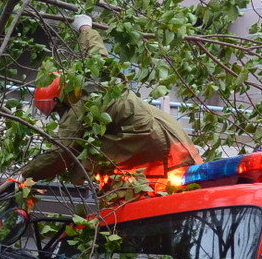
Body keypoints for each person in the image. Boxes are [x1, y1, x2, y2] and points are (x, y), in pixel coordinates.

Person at [13, 14, 202, 189]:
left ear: (61, 100)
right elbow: (97, 54)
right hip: (178, 142)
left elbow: (60, 154)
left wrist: (25, 174)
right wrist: (85, 28)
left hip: (158, 150)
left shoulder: (81, 108)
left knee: (86, 158)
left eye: (57, 110)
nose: (60, 115)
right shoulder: (103, 83)